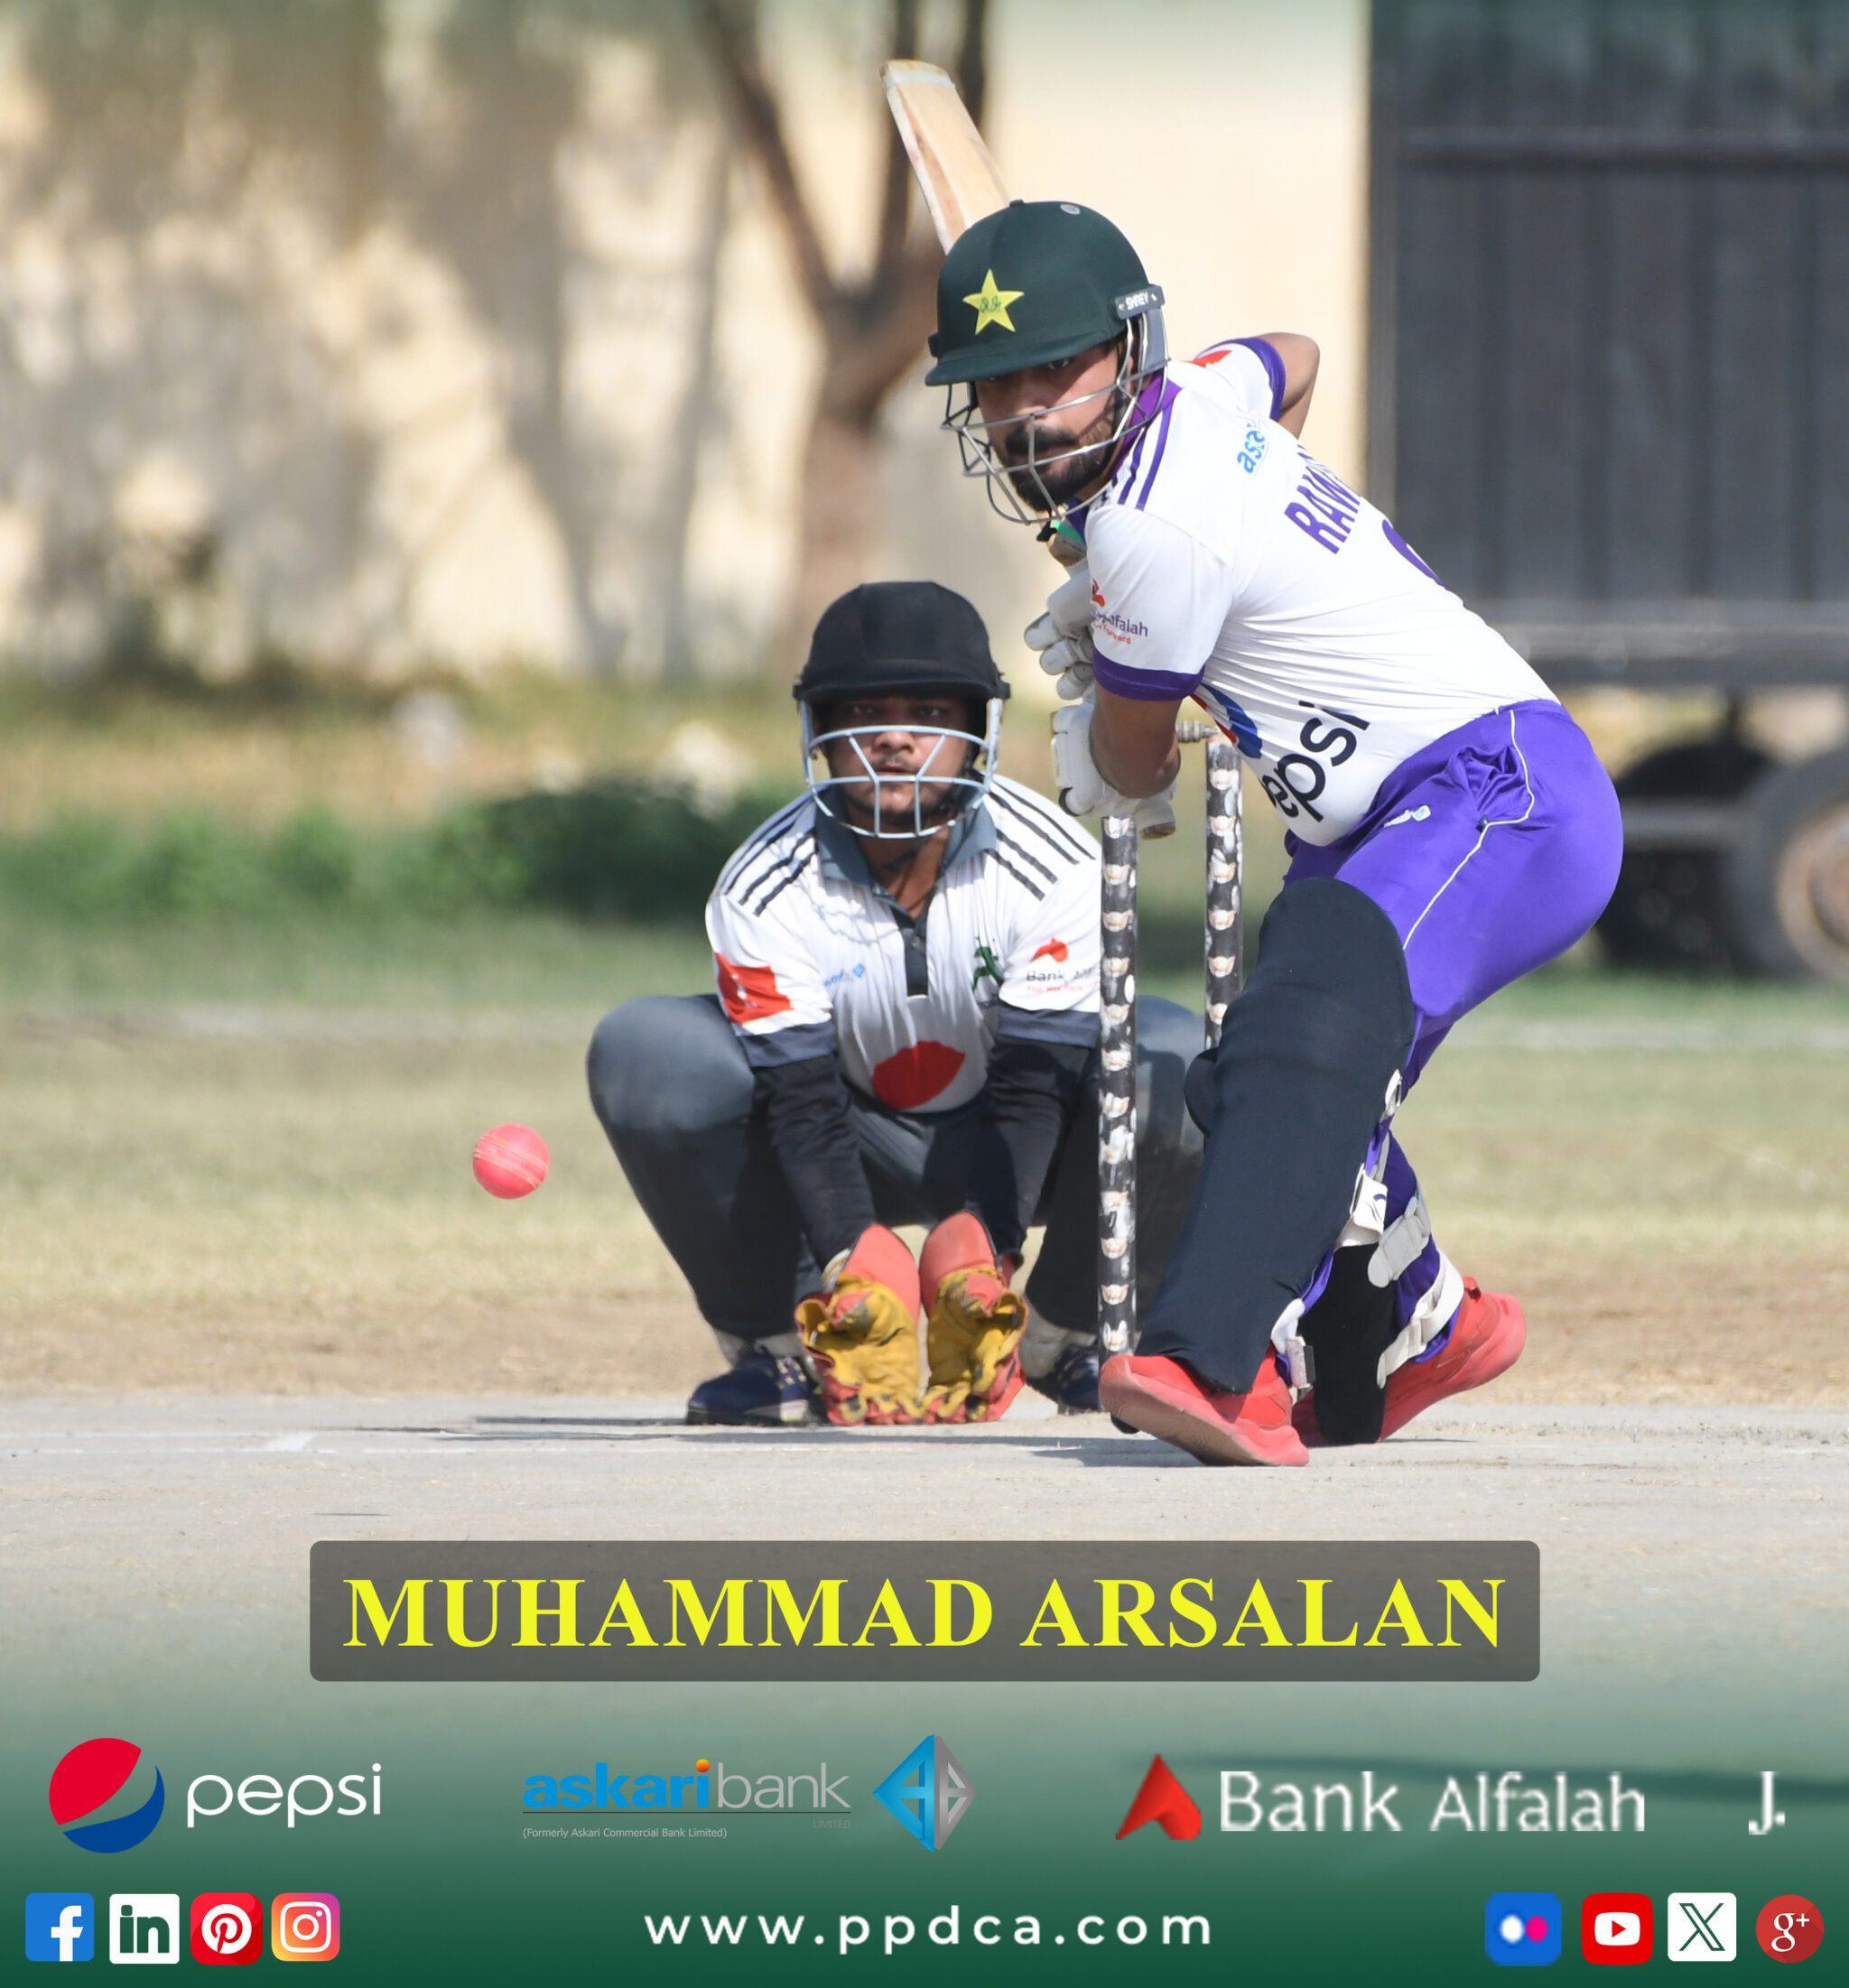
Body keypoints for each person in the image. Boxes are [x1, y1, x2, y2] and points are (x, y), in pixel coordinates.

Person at [920, 199, 1623, 1466]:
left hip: (1494, 791)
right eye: (997, 386)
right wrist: (1191, 583)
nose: (1026, 415)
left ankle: (1208, 1365)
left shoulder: (1149, 532)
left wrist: (1109, 683)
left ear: (1128, 348)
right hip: (1371, 825)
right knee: (1257, 1079)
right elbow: (1292, 355)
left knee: (1302, 1042)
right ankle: (1417, 1327)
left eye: (1055, 370)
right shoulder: (1202, 394)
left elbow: (1135, 769)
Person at [587, 580, 1202, 1428]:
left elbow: (1036, 1089)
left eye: (928, 713)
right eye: (865, 712)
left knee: (1177, 1057)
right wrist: (853, 1253)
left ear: (978, 729)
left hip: (1022, 1138)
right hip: (844, 1132)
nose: (896, 739)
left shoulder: (1058, 865)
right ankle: (786, 1349)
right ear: (820, 732)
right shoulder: (762, 884)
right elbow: (800, 1103)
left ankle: (1064, 1336)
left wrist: (984, 1248)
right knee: (647, 1051)